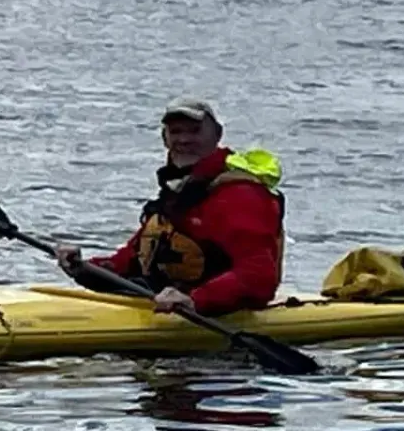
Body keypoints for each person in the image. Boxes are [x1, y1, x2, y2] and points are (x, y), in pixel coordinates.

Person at [55, 99, 284, 316]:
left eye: (194, 131)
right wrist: (82, 268)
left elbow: (258, 276)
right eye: (175, 132)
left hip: (220, 313)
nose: (183, 140)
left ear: (217, 135)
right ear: (164, 139)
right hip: (166, 300)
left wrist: (195, 300)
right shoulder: (178, 192)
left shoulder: (240, 194)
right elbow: (129, 262)